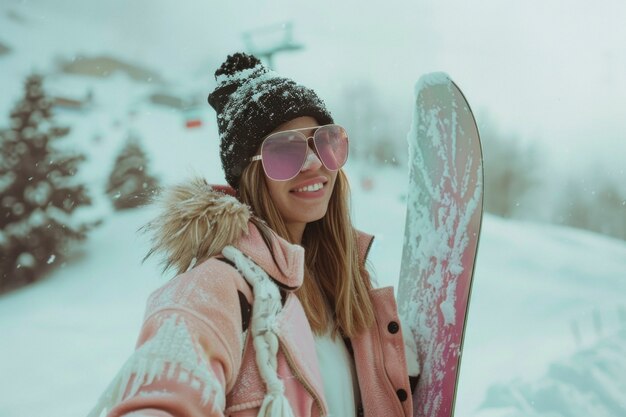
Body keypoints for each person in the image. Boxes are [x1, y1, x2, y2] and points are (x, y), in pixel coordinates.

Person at [88, 52, 418, 417]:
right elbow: (163, 395)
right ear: (249, 174)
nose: (313, 164)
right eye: (284, 150)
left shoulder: (343, 282)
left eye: (324, 141)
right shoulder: (217, 287)